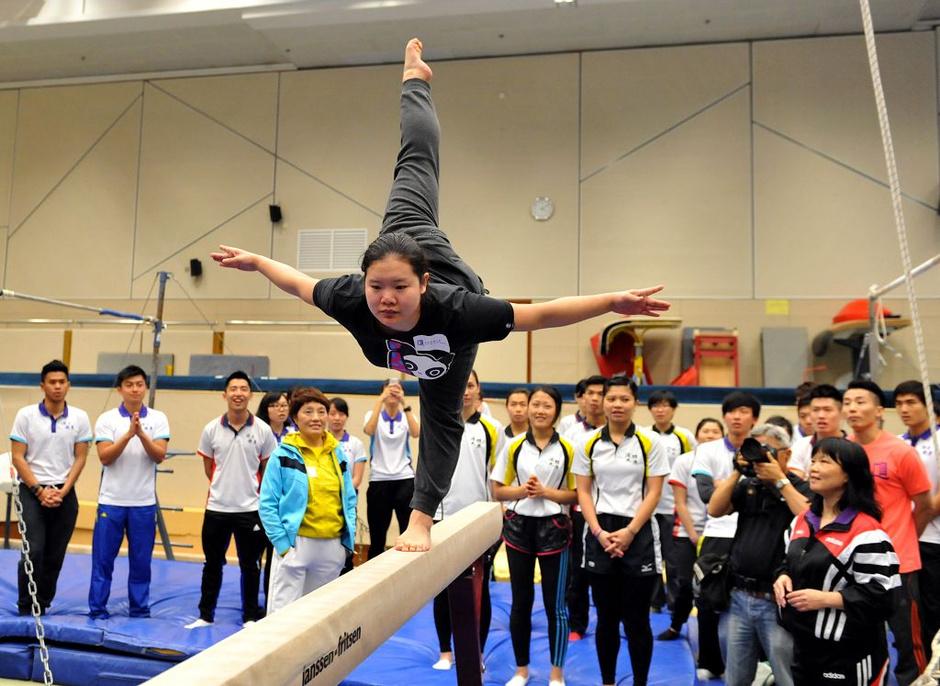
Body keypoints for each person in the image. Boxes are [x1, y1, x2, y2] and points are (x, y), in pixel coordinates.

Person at [211, 38, 669, 552]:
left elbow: (539, 314)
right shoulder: (352, 297)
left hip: (449, 315)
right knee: (415, 162)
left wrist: (610, 301)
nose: (386, 299)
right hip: (404, 233)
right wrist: (255, 262)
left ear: (422, 286)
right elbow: (297, 283)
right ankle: (415, 80)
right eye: (376, 288)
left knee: (440, 419)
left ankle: (422, 519)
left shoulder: (458, 312)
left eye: (399, 290)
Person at [774, 437, 900, 685]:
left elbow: (883, 597)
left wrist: (826, 599)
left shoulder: (867, 532)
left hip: (849, 653)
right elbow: (787, 561)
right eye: (813, 460)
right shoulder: (802, 520)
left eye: (825, 461)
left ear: (848, 475)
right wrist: (782, 576)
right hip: (804, 646)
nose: (814, 468)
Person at [573, 376, 669, 686]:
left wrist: (629, 531)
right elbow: (584, 493)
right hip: (600, 530)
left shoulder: (649, 441)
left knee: (637, 620)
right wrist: (599, 533)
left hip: (637, 532)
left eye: (624, 399)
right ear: (602, 402)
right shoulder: (587, 442)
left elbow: (654, 492)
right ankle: (608, 681)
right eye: (611, 398)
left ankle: (640, 681)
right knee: (606, 619)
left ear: (635, 403)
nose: (617, 404)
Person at [707, 423, 811, 686]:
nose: (760, 457)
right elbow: (715, 509)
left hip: (779, 601)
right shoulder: (749, 485)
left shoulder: (801, 488)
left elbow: (809, 520)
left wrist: (780, 480)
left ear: (785, 455)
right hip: (738, 596)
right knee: (736, 678)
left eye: (768, 451)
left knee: (788, 675)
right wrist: (736, 471)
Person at [844, 379, 932, 684]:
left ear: (880, 410)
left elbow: (922, 502)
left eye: (860, 401)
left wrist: (906, 537)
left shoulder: (901, 452)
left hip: (900, 563)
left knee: (908, 642)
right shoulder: (844, 451)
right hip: (854, 563)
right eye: (848, 402)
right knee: (859, 640)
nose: (853, 408)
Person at [491, 385, 576, 686]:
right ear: (527, 409)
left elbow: (575, 494)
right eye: (535, 404)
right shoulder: (513, 446)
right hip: (519, 528)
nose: (540, 410)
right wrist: (523, 491)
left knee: (556, 606)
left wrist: (545, 492)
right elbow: (498, 489)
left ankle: (557, 673)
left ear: (556, 411)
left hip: (554, 529)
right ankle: (521, 669)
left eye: (547, 405)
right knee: (520, 602)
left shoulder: (567, 448)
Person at [185, 371, 277, 629]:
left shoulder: (263, 430)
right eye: (233, 388)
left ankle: (249, 616)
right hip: (217, 509)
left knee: (251, 566)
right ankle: (205, 615)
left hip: (251, 510)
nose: (238, 393)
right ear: (225, 395)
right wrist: (223, 488)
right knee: (212, 563)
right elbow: (209, 467)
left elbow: (267, 470)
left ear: (250, 394)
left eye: (243, 388)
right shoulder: (211, 429)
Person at [259, 387, 357, 612]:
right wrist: (283, 546)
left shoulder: (337, 453)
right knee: (283, 617)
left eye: (321, 411)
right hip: (296, 544)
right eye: (308, 411)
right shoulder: (282, 455)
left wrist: (345, 545)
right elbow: (267, 504)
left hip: (332, 547)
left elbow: (349, 499)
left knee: (318, 615)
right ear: (295, 417)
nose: (316, 418)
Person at [432, 370, 503, 671]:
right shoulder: (437, 424)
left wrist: (495, 516)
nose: (464, 391)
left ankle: (478, 651)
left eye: (470, 385)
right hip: (442, 516)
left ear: (478, 391)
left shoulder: (492, 428)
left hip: (478, 518)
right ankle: (445, 651)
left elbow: (497, 476)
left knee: (479, 588)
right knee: (440, 586)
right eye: (460, 384)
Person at [10, 360, 91, 616]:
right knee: (34, 550)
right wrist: (39, 490)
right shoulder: (26, 415)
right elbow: (18, 457)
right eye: (52, 382)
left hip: (64, 492)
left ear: (68, 385)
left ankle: (42, 604)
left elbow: (80, 458)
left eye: (62, 382)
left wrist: (63, 491)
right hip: (32, 491)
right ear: (42, 385)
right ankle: (25, 605)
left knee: (55, 555)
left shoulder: (80, 417)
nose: (57, 387)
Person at [689, 390, 761, 680]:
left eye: (744, 411)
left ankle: (758, 664)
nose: (736, 416)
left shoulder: (763, 448)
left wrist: (724, 487)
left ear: (754, 419)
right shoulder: (707, 450)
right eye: (731, 411)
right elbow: (707, 494)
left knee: (757, 599)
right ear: (724, 416)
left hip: (755, 532)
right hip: (716, 532)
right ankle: (710, 660)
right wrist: (737, 490)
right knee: (708, 597)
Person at [88, 365, 170, 619]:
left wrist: (141, 434)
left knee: (141, 562)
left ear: (145, 387)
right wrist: (127, 435)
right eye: (129, 385)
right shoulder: (107, 419)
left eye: (139, 384)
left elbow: (159, 455)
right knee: (103, 560)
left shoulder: (158, 418)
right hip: (111, 501)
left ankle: (139, 608)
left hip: (143, 503)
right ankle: (98, 609)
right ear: (120, 389)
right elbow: (105, 457)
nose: (135, 389)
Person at [658, 417, 724, 641]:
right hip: (687, 532)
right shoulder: (684, 461)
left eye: (715, 431)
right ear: (697, 436)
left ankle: (714, 636)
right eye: (705, 431)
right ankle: (677, 625)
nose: (710, 435)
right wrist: (694, 534)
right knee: (684, 582)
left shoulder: (725, 461)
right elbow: (680, 503)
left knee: (714, 586)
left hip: (718, 533)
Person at [894, 379, 940, 660]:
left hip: (933, 540)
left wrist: (916, 521)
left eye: (911, 402)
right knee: (910, 613)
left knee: (934, 609)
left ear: (930, 406)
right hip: (904, 541)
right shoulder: (897, 443)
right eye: (898, 403)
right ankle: (917, 669)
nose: (903, 409)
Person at [561, 374, 607, 642]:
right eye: (590, 393)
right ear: (581, 397)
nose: (595, 398)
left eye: (601, 393)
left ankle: (610, 619)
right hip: (577, 511)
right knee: (576, 571)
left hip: (611, 511)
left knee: (607, 572)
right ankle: (577, 623)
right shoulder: (570, 431)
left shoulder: (618, 432)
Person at [646, 389, 696, 614]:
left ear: (673, 409)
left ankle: (676, 605)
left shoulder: (684, 437)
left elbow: (692, 468)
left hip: (675, 507)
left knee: (674, 561)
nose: (660, 409)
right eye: (656, 405)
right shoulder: (644, 435)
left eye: (665, 405)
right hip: (649, 507)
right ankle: (654, 601)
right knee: (652, 557)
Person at [363, 378, 420, 559]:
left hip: (404, 479)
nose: (393, 393)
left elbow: (416, 432)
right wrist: (381, 400)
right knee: (377, 538)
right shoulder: (373, 415)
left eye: (398, 389)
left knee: (408, 533)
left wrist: (405, 404)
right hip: (379, 480)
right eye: (390, 389)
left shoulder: (407, 415)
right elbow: (369, 430)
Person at [255, 389, 294, 600]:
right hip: (261, 500)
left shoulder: (294, 434)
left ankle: (275, 598)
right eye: (275, 405)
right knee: (255, 555)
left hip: (286, 502)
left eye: (284, 405)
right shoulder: (259, 431)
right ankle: (254, 604)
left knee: (277, 555)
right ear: (265, 408)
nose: (281, 410)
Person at [328, 397, 368, 574]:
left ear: (347, 417)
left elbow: (357, 478)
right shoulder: (319, 441)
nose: (337, 418)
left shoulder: (355, 444)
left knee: (345, 546)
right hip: (324, 501)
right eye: (333, 413)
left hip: (347, 501)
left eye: (341, 413)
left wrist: (340, 494)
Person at [788, 383, 845, 478]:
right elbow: (794, 481)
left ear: (842, 413)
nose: (821, 415)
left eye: (827, 410)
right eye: (816, 410)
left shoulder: (854, 446)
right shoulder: (800, 446)